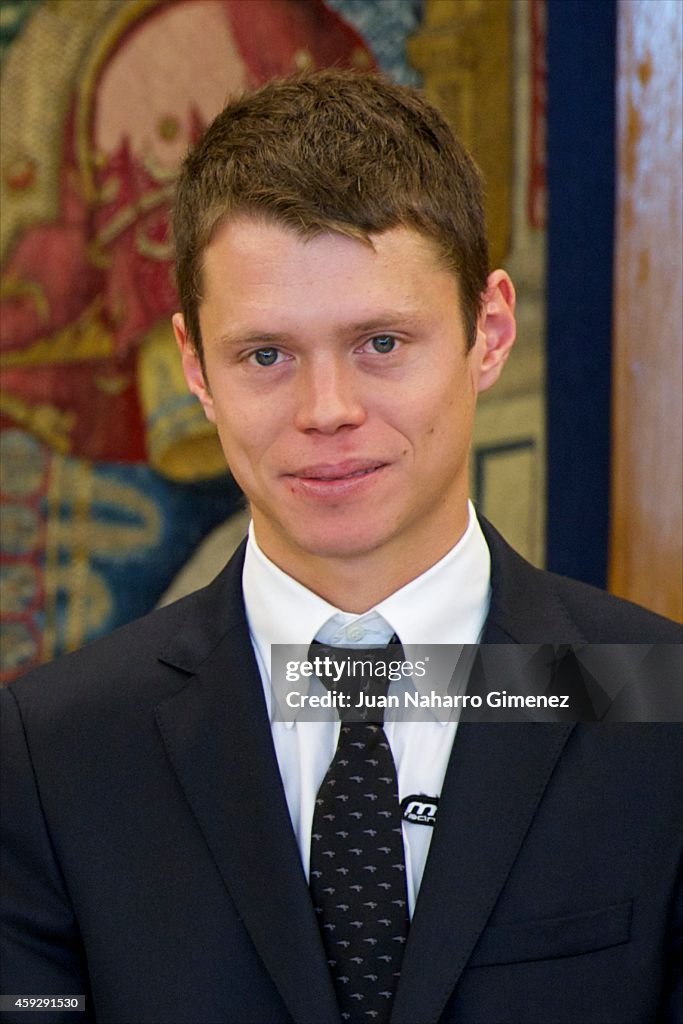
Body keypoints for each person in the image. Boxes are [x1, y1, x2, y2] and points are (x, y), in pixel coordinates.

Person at [1, 70, 681, 1024]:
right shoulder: (52, 751)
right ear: (196, 366)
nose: (328, 412)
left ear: (487, 332)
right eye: (266, 355)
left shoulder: (656, 703)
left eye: (381, 343)